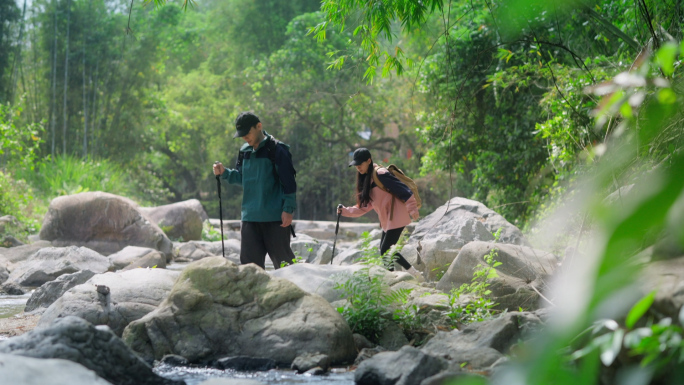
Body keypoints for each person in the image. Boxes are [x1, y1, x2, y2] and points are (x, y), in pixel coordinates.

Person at [213, 111, 297, 270]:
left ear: (259, 126)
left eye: (247, 133)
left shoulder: (278, 150)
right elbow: (242, 178)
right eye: (241, 135)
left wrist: (288, 209)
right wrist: (224, 173)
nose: (245, 137)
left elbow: (289, 183)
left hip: (275, 218)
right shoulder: (244, 151)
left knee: (285, 265)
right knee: (249, 269)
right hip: (250, 218)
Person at [337, 148, 424, 280]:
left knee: (386, 251)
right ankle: (406, 275)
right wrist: (344, 210)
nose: (358, 167)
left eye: (360, 164)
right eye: (356, 165)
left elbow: (403, 190)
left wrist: (412, 208)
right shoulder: (367, 180)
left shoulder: (380, 173)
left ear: (369, 161)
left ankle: (398, 278)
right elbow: (363, 207)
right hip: (387, 219)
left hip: (396, 216)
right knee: (387, 251)